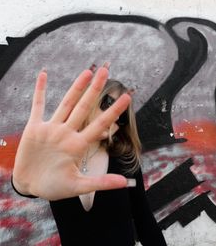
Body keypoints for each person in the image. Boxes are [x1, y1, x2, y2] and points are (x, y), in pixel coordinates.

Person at [12, 64, 167, 246]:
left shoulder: (125, 161)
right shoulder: (57, 158)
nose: (115, 117)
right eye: (108, 104)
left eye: (122, 115)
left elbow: (144, 220)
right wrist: (21, 184)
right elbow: (27, 185)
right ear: (91, 100)